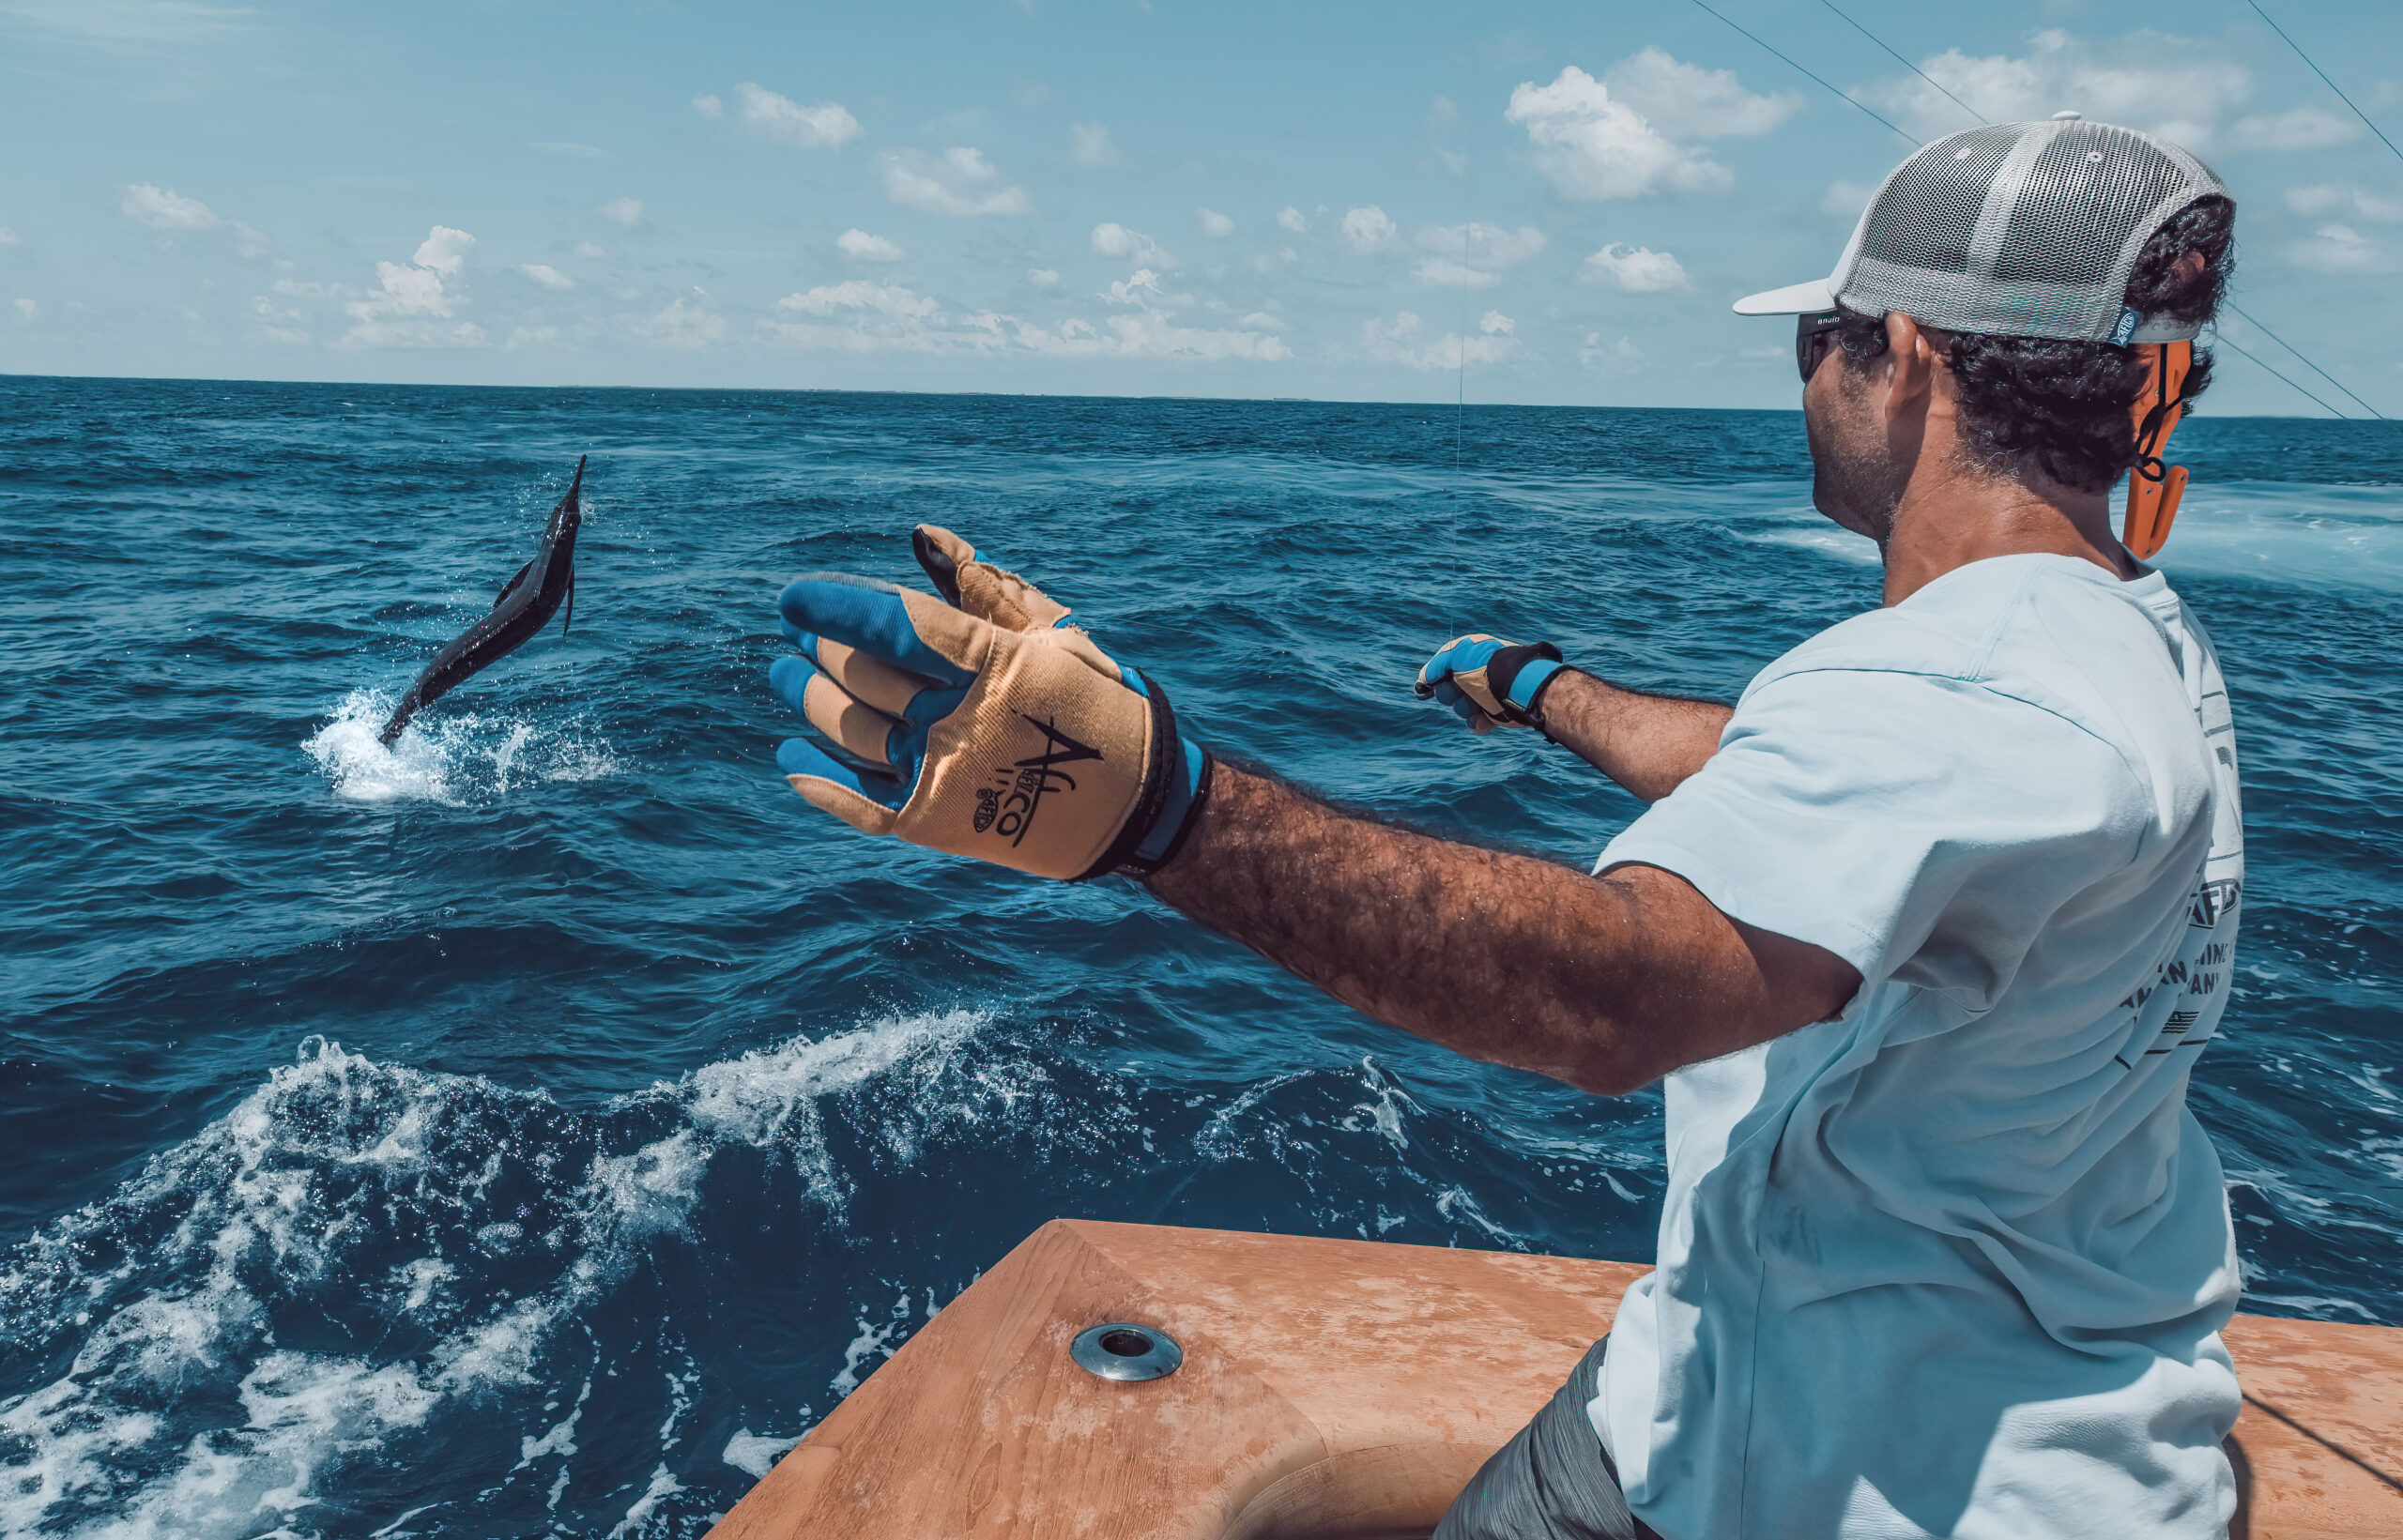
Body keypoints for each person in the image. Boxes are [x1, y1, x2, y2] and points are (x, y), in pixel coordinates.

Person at [766, 114, 2246, 1540]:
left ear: (1906, 357)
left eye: (1819, 340)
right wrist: (1545, 692)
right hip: (1803, 1397)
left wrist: (1161, 809)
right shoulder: (2119, 641)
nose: (1802, 378)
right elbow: (1801, 773)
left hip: (1841, 1480)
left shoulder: (1955, 686)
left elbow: (1609, 994)